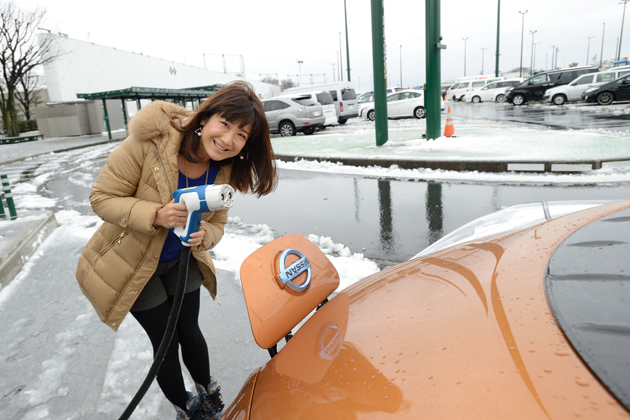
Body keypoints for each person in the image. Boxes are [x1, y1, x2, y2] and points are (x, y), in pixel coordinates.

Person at [76, 81, 277, 420]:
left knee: (190, 333)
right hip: (134, 264)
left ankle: (207, 397)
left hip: (182, 262)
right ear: (205, 118)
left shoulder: (225, 169)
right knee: (166, 343)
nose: (229, 139)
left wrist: (204, 235)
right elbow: (102, 198)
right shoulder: (149, 143)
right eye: (225, 124)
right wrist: (155, 215)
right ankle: (186, 407)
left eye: (241, 135)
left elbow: (218, 224)